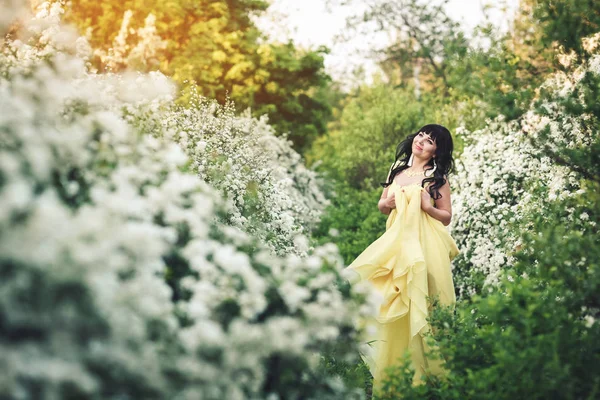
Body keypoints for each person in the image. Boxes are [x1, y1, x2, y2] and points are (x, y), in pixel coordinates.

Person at [345, 124, 460, 392]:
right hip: (396, 244)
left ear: (435, 152)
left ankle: (425, 378)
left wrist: (428, 207)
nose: (421, 141)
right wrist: (388, 204)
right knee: (384, 295)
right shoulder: (397, 171)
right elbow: (382, 205)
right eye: (421, 135)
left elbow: (446, 217)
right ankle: (396, 368)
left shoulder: (437, 179)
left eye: (429, 141)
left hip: (424, 245)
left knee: (421, 302)